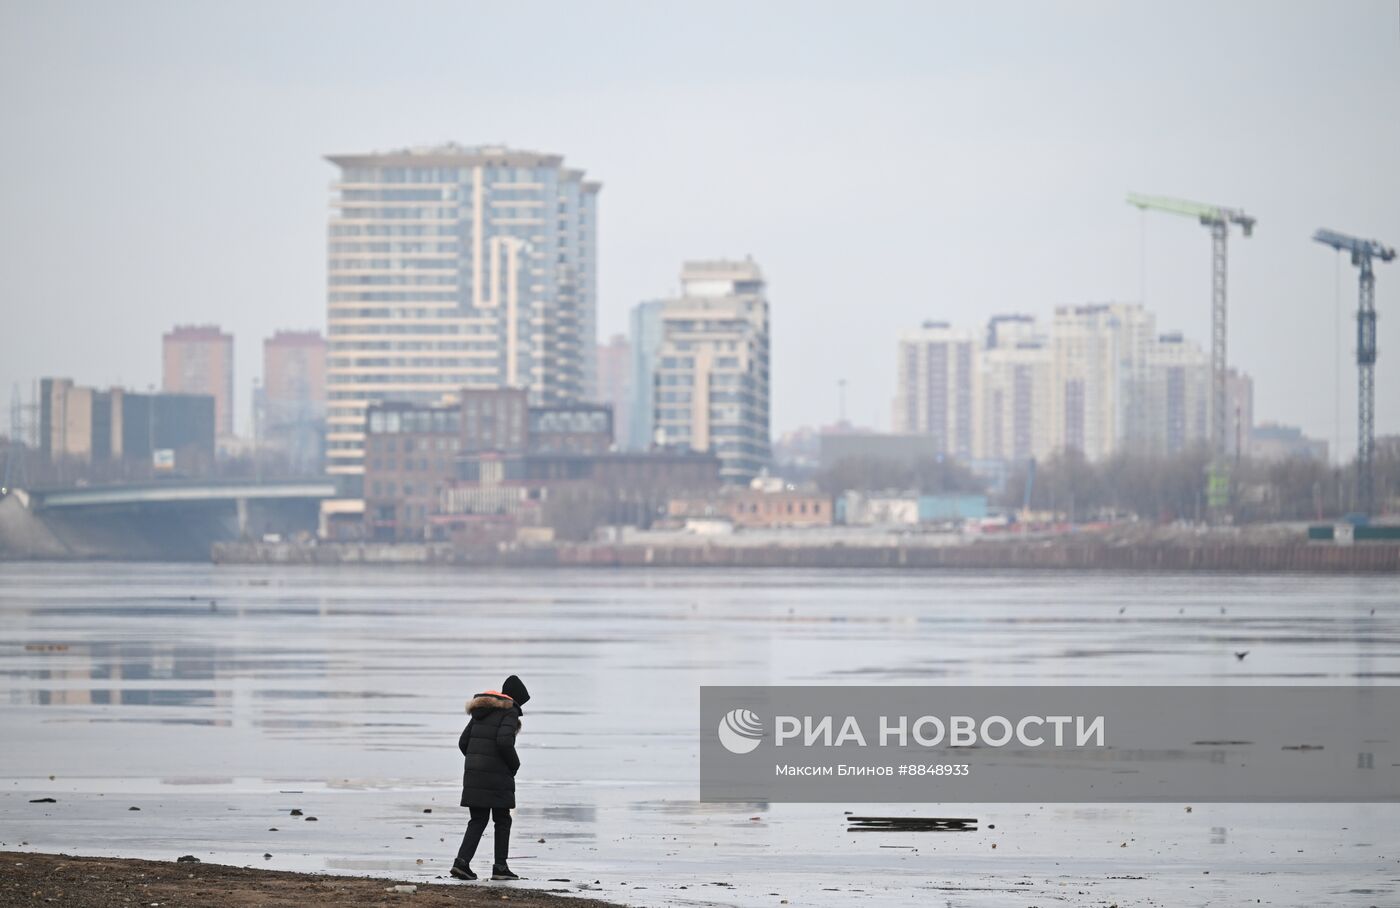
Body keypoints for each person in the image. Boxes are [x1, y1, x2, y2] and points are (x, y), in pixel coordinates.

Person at [452, 674, 529, 881]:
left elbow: (463, 742)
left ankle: (462, 863)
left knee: (477, 819)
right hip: (497, 776)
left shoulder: (481, 711)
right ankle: (500, 867)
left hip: (474, 775)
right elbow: (504, 742)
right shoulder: (509, 711)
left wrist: (477, 761)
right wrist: (515, 764)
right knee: (502, 819)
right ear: (516, 698)